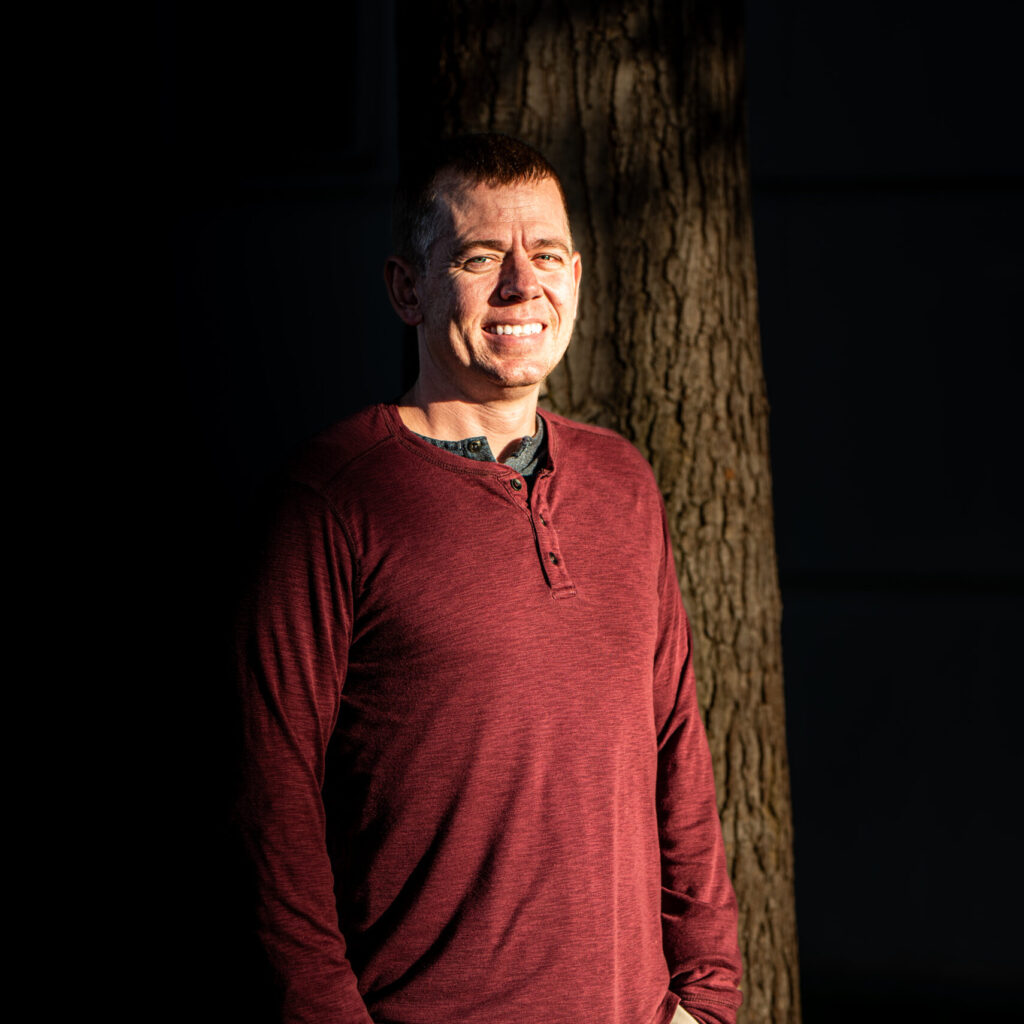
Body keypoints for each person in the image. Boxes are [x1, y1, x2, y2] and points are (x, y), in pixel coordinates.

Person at [236, 133, 742, 1024]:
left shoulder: (623, 485)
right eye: (478, 258)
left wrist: (705, 997)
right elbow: (269, 810)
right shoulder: (330, 501)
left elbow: (679, 758)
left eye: (545, 255)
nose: (521, 285)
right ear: (408, 289)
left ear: (575, 278)